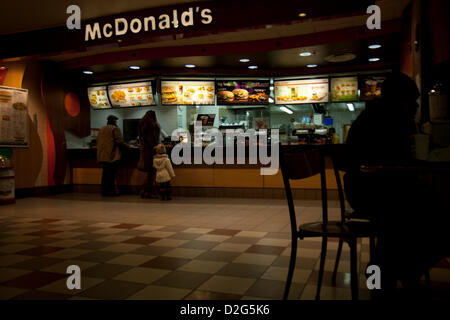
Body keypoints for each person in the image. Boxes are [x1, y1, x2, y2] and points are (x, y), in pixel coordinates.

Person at [344, 72, 446, 298]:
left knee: (399, 229)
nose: (416, 105)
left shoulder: (373, 115)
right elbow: (398, 161)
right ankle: (394, 275)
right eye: (412, 100)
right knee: (432, 217)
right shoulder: (388, 119)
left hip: (370, 190)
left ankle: (387, 277)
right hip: (374, 192)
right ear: (399, 99)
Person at [96, 115, 128, 196]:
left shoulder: (101, 129)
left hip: (102, 155)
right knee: (111, 175)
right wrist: (128, 146)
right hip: (112, 155)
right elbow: (119, 141)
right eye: (116, 121)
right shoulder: (115, 129)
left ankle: (104, 191)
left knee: (105, 174)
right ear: (114, 121)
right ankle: (111, 191)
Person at [137, 110, 160, 198]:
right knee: (152, 172)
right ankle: (149, 192)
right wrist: (156, 148)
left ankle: (145, 191)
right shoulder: (152, 125)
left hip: (144, 151)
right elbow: (153, 140)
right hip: (151, 151)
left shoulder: (141, 125)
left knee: (149, 173)